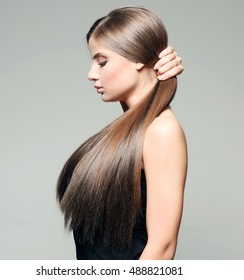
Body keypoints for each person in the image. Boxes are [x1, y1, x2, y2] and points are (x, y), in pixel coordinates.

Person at [56, 6, 187, 260]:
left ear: (137, 58)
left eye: (101, 61)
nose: (91, 74)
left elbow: (162, 248)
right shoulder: (136, 129)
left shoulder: (161, 131)